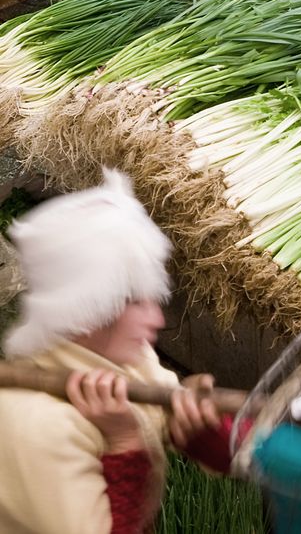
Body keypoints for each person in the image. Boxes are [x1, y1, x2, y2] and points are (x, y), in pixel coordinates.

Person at [0, 170, 233, 534]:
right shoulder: (41, 426)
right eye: (136, 302)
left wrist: (203, 432)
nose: (156, 319)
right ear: (85, 312)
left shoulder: (127, 358)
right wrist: (125, 445)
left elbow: (170, 416)